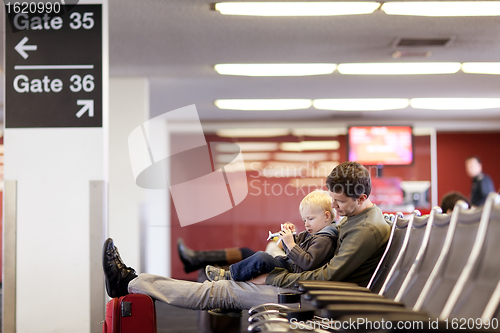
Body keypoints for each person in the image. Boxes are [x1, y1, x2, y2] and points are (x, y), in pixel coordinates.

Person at [102, 161, 391, 310]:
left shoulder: (365, 229)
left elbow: (328, 277)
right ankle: (131, 280)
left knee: (222, 291)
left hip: (316, 298)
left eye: (339, 203)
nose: (335, 209)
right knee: (228, 282)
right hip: (310, 289)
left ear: (362, 196)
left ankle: (130, 283)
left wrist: (272, 278)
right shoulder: (356, 218)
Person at [205, 190, 338, 282]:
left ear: (327, 216)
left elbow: (307, 262)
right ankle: (232, 276)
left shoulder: (325, 239)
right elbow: (293, 250)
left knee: (261, 257)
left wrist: (290, 244)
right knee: (261, 259)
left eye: (310, 219)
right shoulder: (315, 234)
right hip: (291, 265)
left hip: (294, 271)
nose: (306, 224)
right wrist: (289, 238)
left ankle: (230, 276)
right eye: (304, 220)